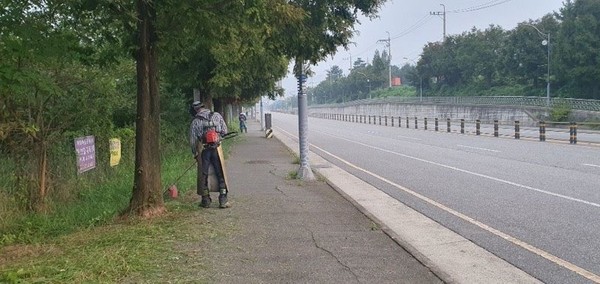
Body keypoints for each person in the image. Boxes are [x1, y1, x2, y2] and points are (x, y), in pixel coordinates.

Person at [189, 101, 230, 208]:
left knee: (204, 175)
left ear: (195, 110)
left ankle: (206, 200)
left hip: (204, 150)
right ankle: (223, 199)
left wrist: (195, 153)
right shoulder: (216, 115)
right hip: (217, 149)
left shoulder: (195, 121)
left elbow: (193, 140)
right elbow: (225, 131)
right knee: (220, 173)